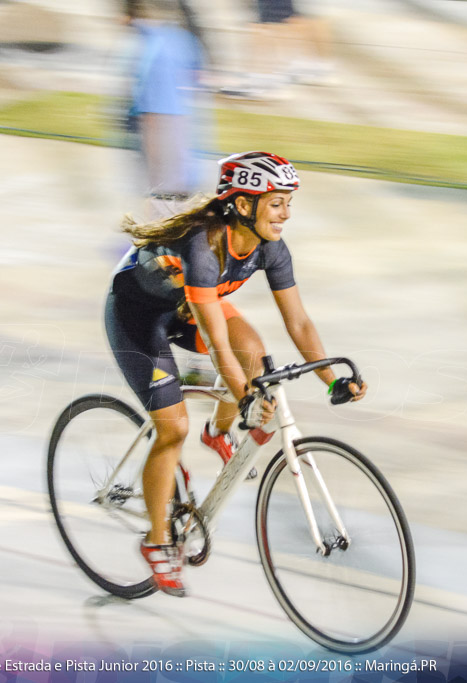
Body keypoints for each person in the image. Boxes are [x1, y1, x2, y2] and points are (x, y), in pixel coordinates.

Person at [105, 151, 368, 596]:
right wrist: (245, 396)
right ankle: (156, 542)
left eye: (289, 202)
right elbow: (218, 342)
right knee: (172, 430)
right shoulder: (202, 248)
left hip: (185, 306)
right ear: (243, 205)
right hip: (138, 316)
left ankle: (218, 432)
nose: (286, 213)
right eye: (276, 202)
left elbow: (298, 322)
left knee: (255, 355)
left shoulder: (270, 247)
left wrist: (332, 380)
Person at [123, 0, 208, 221]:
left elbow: (149, 97)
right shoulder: (181, 39)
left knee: (163, 188)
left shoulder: (151, 45)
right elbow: (196, 77)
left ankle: (161, 238)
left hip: (162, 120)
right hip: (179, 117)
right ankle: (170, 234)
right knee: (176, 186)